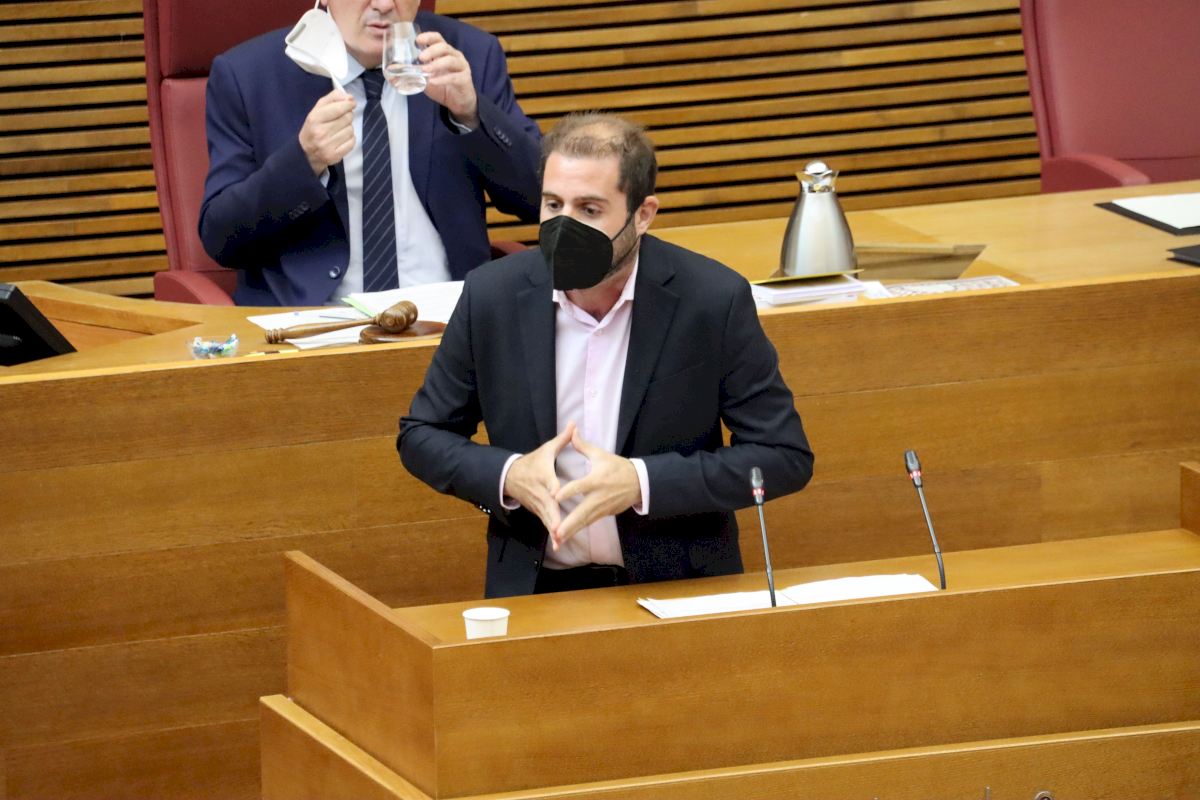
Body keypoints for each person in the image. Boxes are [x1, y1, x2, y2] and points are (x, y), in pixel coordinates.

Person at [398, 112, 813, 598]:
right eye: (553, 205)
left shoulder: (712, 300)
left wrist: (641, 482)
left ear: (643, 214)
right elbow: (422, 434)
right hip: (537, 590)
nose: (564, 226)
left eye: (590, 209)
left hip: (676, 589)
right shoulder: (492, 296)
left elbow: (782, 455)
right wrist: (509, 475)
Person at [199, 0, 541, 306]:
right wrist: (304, 161)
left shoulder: (468, 56)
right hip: (316, 327)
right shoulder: (249, 76)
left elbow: (538, 197)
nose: (383, 4)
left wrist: (473, 113)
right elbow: (221, 239)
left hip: (450, 323)